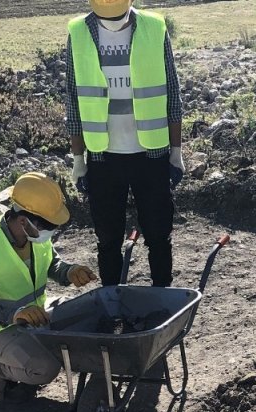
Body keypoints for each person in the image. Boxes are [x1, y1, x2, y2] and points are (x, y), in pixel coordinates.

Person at [64, 0, 184, 287]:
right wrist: (78, 160)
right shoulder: (79, 32)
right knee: (108, 237)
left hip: (151, 153)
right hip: (104, 156)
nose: (113, 22)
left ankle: (162, 294)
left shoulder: (154, 29)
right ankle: (112, 298)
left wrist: (176, 152)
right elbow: (73, 99)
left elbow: (172, 92)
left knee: (158, 233)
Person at [0, 173, 98, 399]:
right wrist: (14, 315)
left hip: (35, 315)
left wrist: (68, 271)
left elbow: (52, 263)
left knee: (86, 319)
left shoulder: (33, 233)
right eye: (49, 226)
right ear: (23, 220)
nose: (52, 231)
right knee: (45, 367)